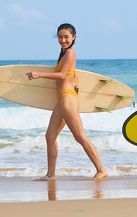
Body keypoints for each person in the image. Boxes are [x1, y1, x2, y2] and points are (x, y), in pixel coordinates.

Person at [26, 23, 108, 180]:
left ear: (74, 37)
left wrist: (39, 75)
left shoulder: (70, 53)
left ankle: (101, 170)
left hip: (68, 98)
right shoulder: (63, 53)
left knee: (79, 136)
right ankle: (51, 174)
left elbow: (63, 75)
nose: (63, 40)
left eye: (66, 37)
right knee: (50, 136)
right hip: (62, 99)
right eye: (60, 37)